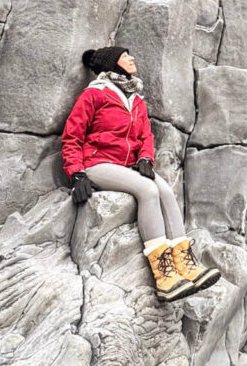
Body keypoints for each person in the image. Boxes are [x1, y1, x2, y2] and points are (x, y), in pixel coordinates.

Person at [61, 46, 220, 302]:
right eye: (125, 56)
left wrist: (146, 157)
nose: (132, 58)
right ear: (113, 64)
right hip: (97, 163)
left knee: (166, 191)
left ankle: (187, 264)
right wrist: (76, 174)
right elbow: (72, 136)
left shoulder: (135, 98)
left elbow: (146, 135)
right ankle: (165, 276)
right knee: (148, 190)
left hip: (127, 166)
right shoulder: (94, 94)